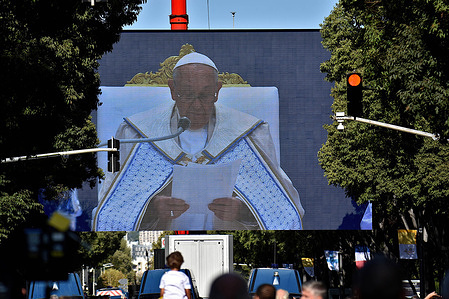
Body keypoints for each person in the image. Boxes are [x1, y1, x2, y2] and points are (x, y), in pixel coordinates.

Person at [93, 51, 304, 231]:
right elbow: (112, 205)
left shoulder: (250, 132)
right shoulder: (137, 133)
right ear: (173, 91)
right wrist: (151, 207)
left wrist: (242, 209)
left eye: (205, 96)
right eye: (187, 95)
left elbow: (283, 207)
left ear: (217, 91)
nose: (196, 105)